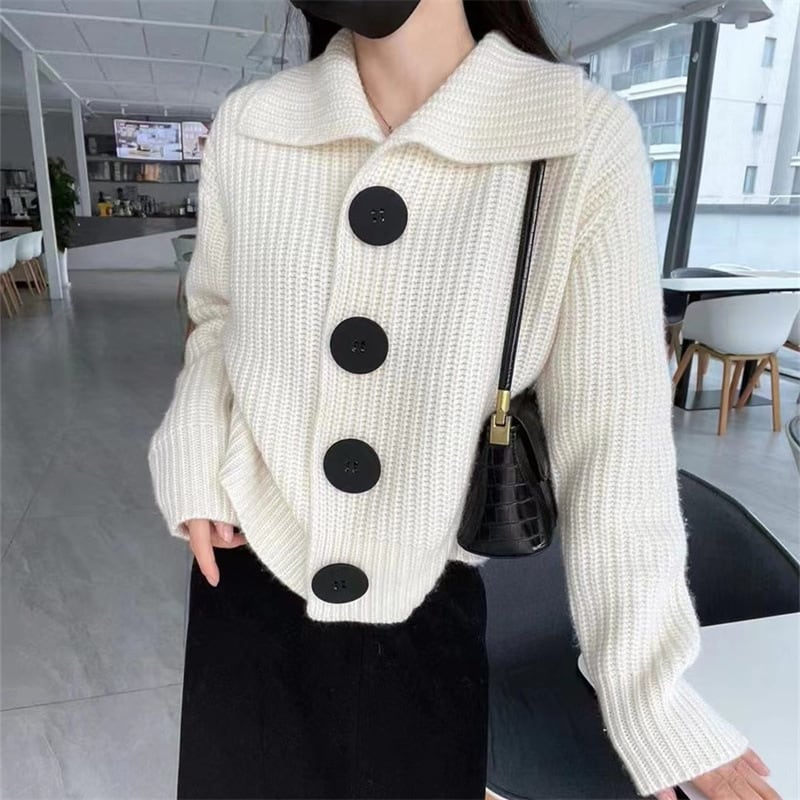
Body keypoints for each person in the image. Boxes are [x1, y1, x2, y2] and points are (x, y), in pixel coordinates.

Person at [147, 2, 780, 799]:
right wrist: (195, 455)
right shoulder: (255, 126)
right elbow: (217, 318)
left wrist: (650, 698)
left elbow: (614, 442)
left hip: (426, 607)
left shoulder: (574, 136)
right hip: (246, 578)